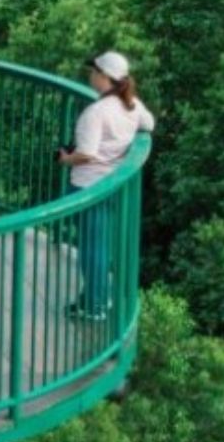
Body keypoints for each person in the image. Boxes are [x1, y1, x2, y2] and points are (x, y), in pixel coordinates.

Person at [56, 51, 156, 321]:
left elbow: (86, 153)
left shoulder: (96, 112)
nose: (90, 75)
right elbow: (149, 124)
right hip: (110, 185)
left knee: (90, 248)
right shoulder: (131, 105)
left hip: (87, 187)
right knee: (98, 244)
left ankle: (94, 305)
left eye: (94, 71)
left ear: (104, 77)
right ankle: (100, 295)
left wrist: (65, 159)